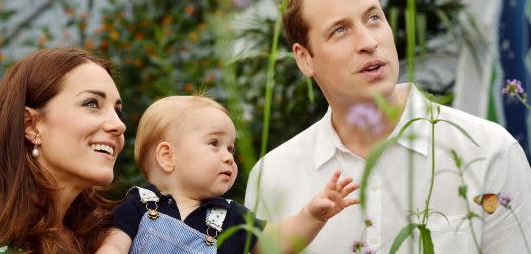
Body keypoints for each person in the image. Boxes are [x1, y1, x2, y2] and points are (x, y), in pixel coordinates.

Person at [244, 0, 531, 253]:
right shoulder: (273, 176)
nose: (369, 42)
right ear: (305, 59)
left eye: (373, 18)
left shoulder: (489, 151)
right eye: (340, 30)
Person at [96, 95, 360, 254]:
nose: (228, 156)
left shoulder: (231, 216)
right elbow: (113, 246)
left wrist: (312, 216)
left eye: (231, 148)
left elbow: (278, 242)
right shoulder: (139, 205)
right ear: (168, 156)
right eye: (214, 144)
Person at [0, 47, 127, 253]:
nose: (119, 125)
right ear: (31, 125)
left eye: (117, 111)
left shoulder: (121, 235)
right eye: (92, 103)